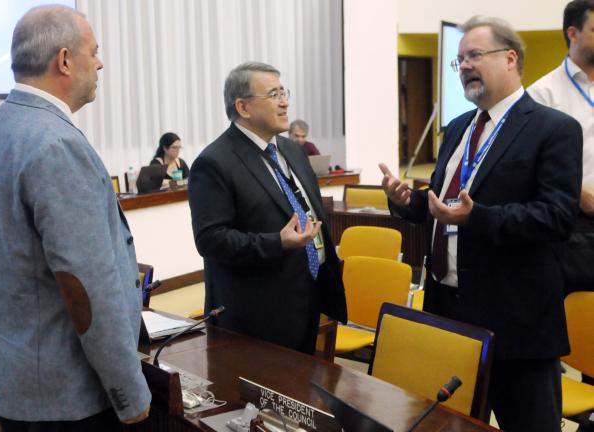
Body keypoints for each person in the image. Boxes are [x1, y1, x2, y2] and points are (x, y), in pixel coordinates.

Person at [379, 16, 582, 432]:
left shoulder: (553, 129)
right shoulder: (456, 129)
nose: (465, 66)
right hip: (448, 313)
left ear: (510, 58)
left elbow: (557, 217)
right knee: (455, 425)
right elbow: (443, 206)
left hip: (515, 321)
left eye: (475, 55)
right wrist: (409, 201)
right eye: (459, 60)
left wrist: (479, 218)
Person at [0, 5, 150, 430]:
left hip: (15, 384)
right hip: (68, 397)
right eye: (94, 51)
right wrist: (128, 390)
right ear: (65, 60)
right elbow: (85, 288)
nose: (100, 62)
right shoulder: (56, 144)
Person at [188, 62, 347, 354]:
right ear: (243, 107)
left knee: (302, 391)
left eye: (284, 92)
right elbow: (211, 240)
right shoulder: (214, 162)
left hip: (306, 296)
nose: (285, 102)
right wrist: (278, 242)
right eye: (273, 94)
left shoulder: (291, 150)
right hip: (257, 314)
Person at [528, 0, 594, 387]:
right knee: (570, 326)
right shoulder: (544, 93)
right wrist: (579, 194)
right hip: (572, 227)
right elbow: (538, 169)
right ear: (573, 33)